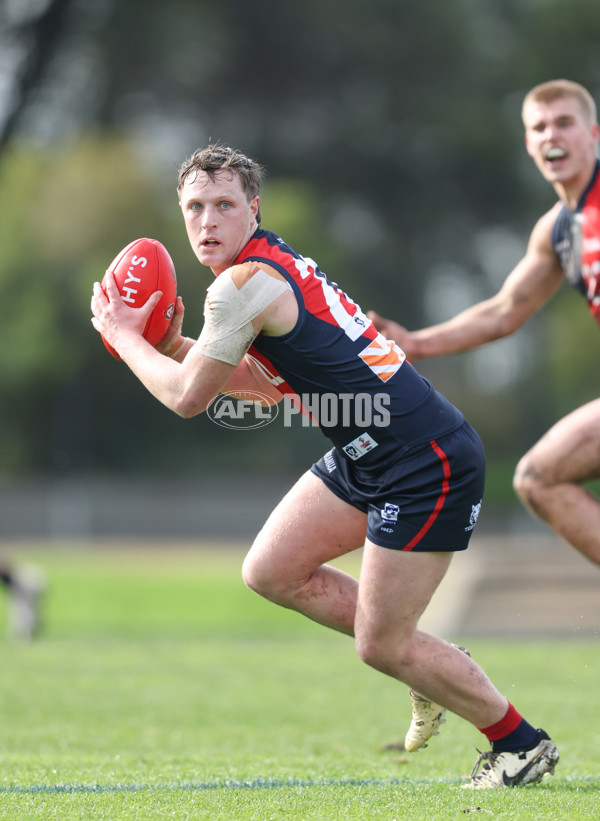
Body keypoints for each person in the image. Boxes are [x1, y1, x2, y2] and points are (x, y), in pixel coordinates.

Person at [90, 143, 559, 789]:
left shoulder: (242, 286)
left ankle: (520, 743)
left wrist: (124, 336)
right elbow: (266, 384)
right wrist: (173, 344)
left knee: (381, 645)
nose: (207, 221)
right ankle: (434, 662)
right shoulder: (263, 267)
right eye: (195, 207)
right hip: (371, 453)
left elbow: (186, 397)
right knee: (271, 570)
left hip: (425, 459)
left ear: (252, 209)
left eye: (224, 205)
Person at [369, 77, 600, 755]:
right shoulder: (559, 229)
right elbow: (504, 311)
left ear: (593, 134)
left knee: (540, 474)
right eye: (538, 128)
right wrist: (414, 343)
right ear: (529, 144)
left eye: (564, 122)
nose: (551, 136)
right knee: (539, 476)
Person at [0, 555, 44, 640]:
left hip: (28, 586)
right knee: (22, 609)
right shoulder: (12, 570)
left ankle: (27, 633)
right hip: (24, 586)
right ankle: (25, 631)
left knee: (25, 610)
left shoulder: (17, 572)